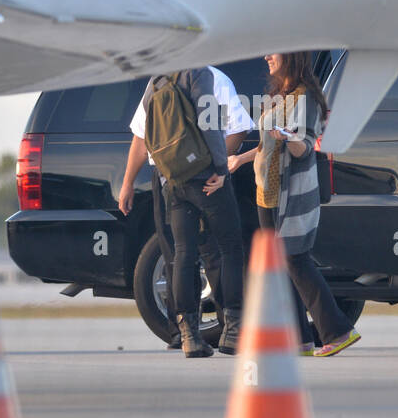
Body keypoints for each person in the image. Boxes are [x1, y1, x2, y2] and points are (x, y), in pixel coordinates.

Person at [228, 52, 360, 357]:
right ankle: (299, 339)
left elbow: (304, 147)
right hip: (267, 195)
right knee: (284, 265)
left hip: (289, 196)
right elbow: (266, 143)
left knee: (296, 261)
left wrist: (289, 137)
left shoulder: (306, 99)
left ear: (291, 57)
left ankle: (338, 331)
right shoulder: (280, 96)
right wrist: (240, 160)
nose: (267, 56)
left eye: (274, 52)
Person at [119, 66, 251, 354]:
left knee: (182, 254)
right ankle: (233, 331)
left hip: (170, 180)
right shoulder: (205, 75)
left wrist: (127, 182)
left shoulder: (156, 80)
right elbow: (211, 126)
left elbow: (142, 137)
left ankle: (189, 335)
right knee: (229, 248)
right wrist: (220, 169)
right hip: (205, 177)